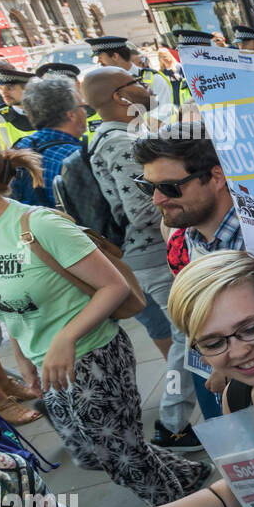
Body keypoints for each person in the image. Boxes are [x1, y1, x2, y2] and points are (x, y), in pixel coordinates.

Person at [0, 135, 208, 503]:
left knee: (123, 461)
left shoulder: (40, 225)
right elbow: (7, 303)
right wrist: (21, 354)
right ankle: (191, 475)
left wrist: (66, 339)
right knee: (94, 455)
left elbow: (113, 287)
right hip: (46, 362)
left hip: (93, 356)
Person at [77, 251, 254, 507]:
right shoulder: (237, 396)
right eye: (212, 342)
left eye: (251, 328)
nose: (237, 351)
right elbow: (245, 488)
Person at [81, 68, 202, 451]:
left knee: (183, 335)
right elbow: (145, 210)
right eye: (135, 82)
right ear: (120, 96)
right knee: (188, 336)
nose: (146, 86)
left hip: (147, 255)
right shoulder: (118, 142)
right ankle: (172, 423)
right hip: (152, 253)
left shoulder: (117, 135)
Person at [133, 126, 241, 423]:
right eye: (147, 186)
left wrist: (228, 366)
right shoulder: (180, 231)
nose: (156, 199)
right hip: (205, 364)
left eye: (169, 187)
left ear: (216, 177)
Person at [11, 76, 84, 209]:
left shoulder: (20, 146)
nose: (85, 112)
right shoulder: (75, 156)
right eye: (82, 107)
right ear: (71, 115)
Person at [86, 35, 176, 128]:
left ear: (115, 56)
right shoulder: (107, 85)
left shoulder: (153, 78)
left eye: (100, 57)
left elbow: (164, 112)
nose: (99, 62)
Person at [0, 63, 36, 150]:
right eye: (0, 88)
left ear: (27, 89)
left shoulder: (49, 111)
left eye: (10, 88)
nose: (4, 93)